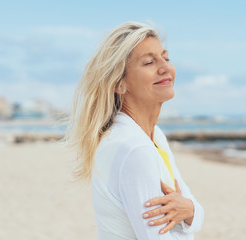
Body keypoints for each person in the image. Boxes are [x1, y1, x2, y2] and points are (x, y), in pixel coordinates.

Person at [65, 22, 204, 239]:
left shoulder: (154, 137)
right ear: (119, 84)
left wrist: (189, 209)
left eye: (166, 58)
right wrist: (189, 212)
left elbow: (192, 208)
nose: (165, 67)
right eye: (149, 62)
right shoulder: (135, 149)